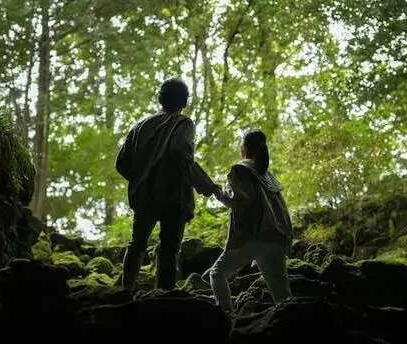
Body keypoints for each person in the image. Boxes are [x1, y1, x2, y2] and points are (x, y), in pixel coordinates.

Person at [115, 78, 218, 290]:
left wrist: (142, 179)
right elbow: (181, 155)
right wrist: (206, 185)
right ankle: (164, 294)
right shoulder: (183, 123)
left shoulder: (140, 125)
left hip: (144, 196)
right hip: (174, 197)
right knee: (170, 247)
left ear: (161, 99)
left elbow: (121, 163)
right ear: (184, 101)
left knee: (137, 243)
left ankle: (126, 290)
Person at [210, 129, 293, 313]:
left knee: (217, 273)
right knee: (283, 294)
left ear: (244, 148)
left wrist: (219, 194)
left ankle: (226, 318)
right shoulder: (268, 175)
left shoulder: (241, 169)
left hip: (255, 236)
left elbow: (242, 202)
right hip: (278, 237)